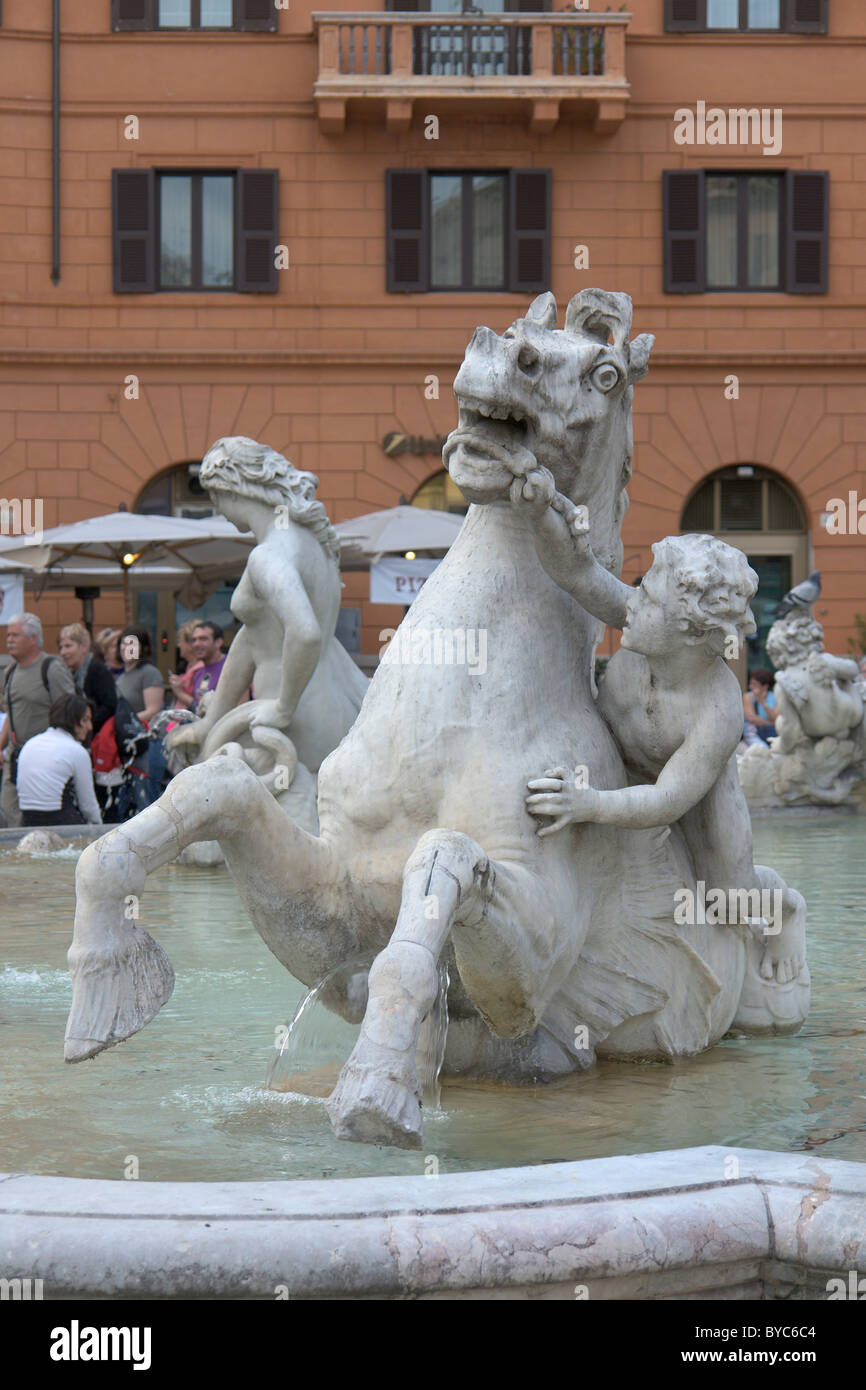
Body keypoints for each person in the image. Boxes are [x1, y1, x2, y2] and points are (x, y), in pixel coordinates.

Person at [0, 612, 76, 828]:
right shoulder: (10, 672)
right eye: (8, 636)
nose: (9, 641)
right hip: (15, 757)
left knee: (40, 819)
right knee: (9, 811)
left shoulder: (52, 668)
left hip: (45, 758)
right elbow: (11, 715)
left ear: (33, 638)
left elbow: (70, 712)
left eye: (15, 635)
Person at [16, 693, 102, 827]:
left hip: (27, 823)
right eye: (85, 720)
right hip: (59, 823)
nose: (90, 727)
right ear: (72, 720)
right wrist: (101, 831)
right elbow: (88, 806)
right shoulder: (77, 751)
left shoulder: (31, 743)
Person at [116, 625, 165, 817]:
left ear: (144, 648)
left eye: (132, 644)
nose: (126, 648)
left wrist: (122, 724)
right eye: (123, 643)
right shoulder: (122, 677)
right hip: (129, 747)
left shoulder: (149, 672)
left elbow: (153, 710)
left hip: (148, 745)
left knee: (147, 804)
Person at [59, 622, 117, 735]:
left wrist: (86, 725)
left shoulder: (97, 670)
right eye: (61, 647)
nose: (63, 652)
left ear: (84, 647)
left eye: (68, 646)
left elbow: (110, 706)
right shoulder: (69, 673)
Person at [166, 621, 204, 711]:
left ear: (190, 644)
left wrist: (179, 692)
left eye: (180, 641)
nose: (178, 645)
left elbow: (200, 707)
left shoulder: (201, 670)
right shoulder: (190, 666)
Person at [189, 621, 226, 711]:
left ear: (218, 642)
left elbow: (239, 709)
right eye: (194, 640)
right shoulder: (198, 672)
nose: (196, 644)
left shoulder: (231, 667)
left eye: (203, 639)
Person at [742, 667, 777, 746]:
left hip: (771, 734)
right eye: (750, 683)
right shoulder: (748, 696)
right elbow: (751, 718)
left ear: (765, 686)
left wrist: (762, 701)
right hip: (752, 734)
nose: (750, 687)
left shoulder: (774, 697)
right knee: (763, 749)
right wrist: (770, 723)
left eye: (754, 684)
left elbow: (774, 718)